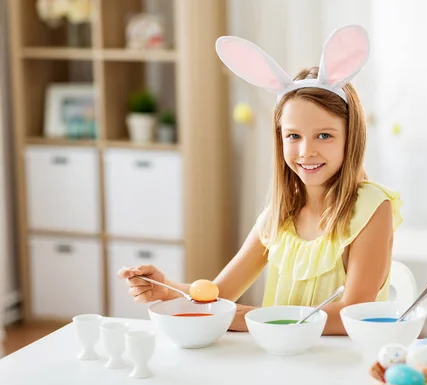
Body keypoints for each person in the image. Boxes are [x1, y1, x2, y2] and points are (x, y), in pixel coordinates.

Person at [117, 25, 403, 336]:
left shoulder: (372, 208)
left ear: (351, 138)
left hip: (341, 365)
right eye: (293, 136)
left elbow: (352, 314)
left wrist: (245, 317)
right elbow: (219, 293)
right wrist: (169, 290)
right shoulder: (279, 215)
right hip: (278, 359)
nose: (307, 151)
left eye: (324, 135)